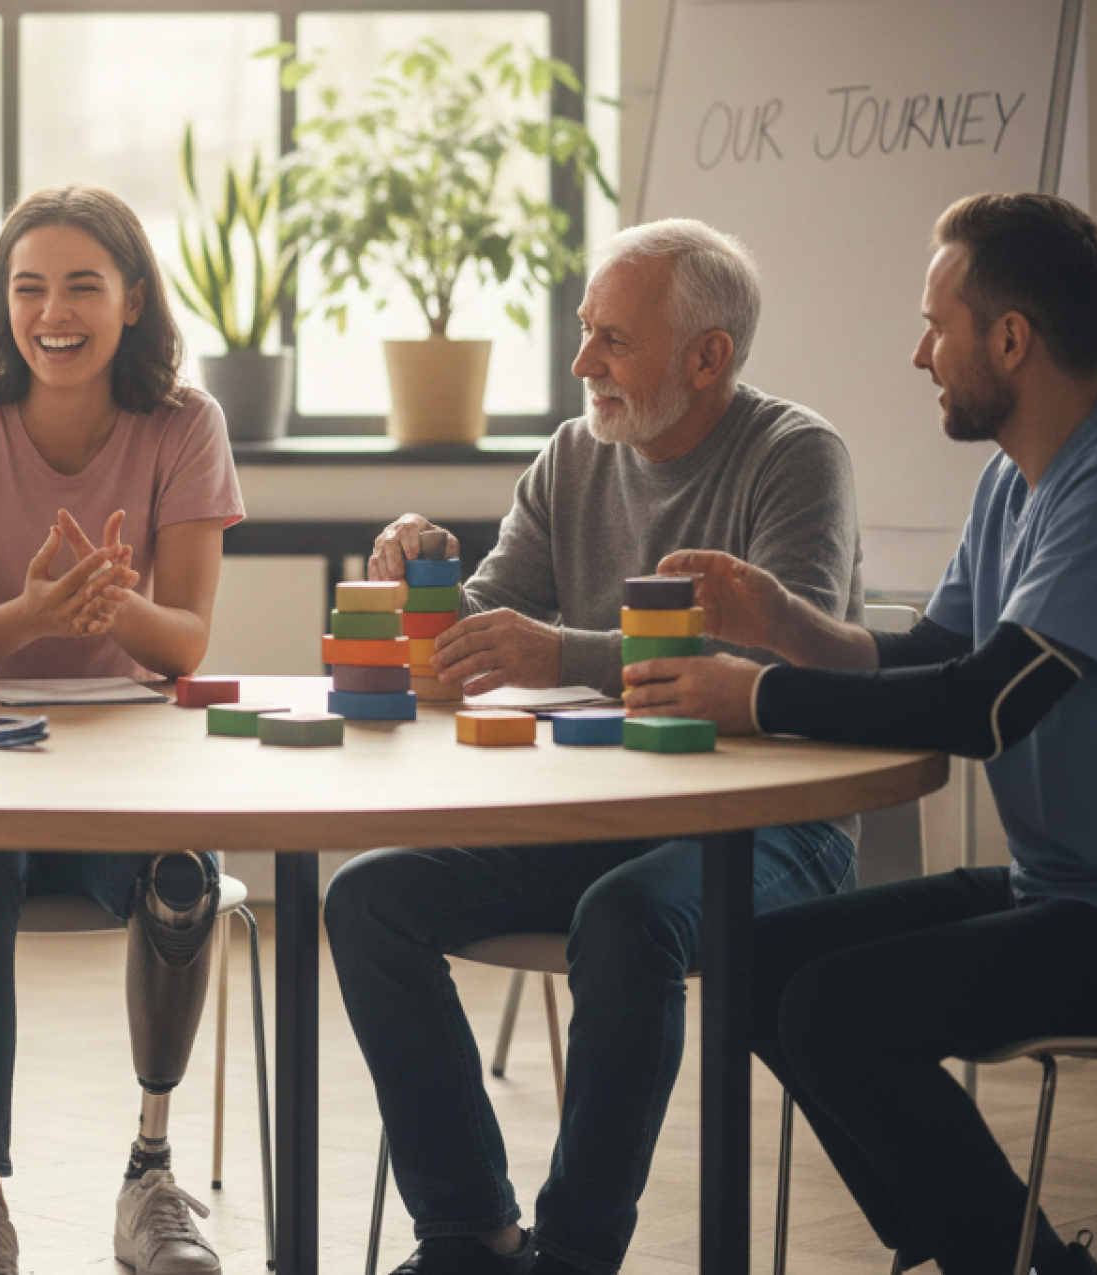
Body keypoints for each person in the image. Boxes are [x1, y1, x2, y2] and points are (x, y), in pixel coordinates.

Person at [324, 218, 865, 1275]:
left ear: (708, 356)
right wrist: (422, 572)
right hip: (607, 817)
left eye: (611, 339)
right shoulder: (577, 452)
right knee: (367, 896)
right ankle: (470, 1229)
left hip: (773, 827)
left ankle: (572, 1256)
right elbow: (486, 631)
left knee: (626, 921)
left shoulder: (797, 456)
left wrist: (554, 648)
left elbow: (755, 660)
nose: (582, 364)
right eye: (583, 333)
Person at [628, 193, 1097, 1275]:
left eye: (934, 324)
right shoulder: (1014, 480)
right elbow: (929, 655)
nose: (919, 353)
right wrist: (782, 625)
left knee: (838, 1014)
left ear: (1009, 339)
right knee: (756, 960)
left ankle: (1021, 1264)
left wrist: (753, 696)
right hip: (1063, 890)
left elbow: (979, 708)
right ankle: (959, 1242)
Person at [0, 185, 245, 1275]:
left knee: (185, 875)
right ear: (3, 303)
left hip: (114, 778)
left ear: (132, 299)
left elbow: (182, 643)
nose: (54, 311)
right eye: (28, 287)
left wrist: (109, 605)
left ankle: (150, 1172)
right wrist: (36, 614)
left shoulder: (187, 424)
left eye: (84, 284)